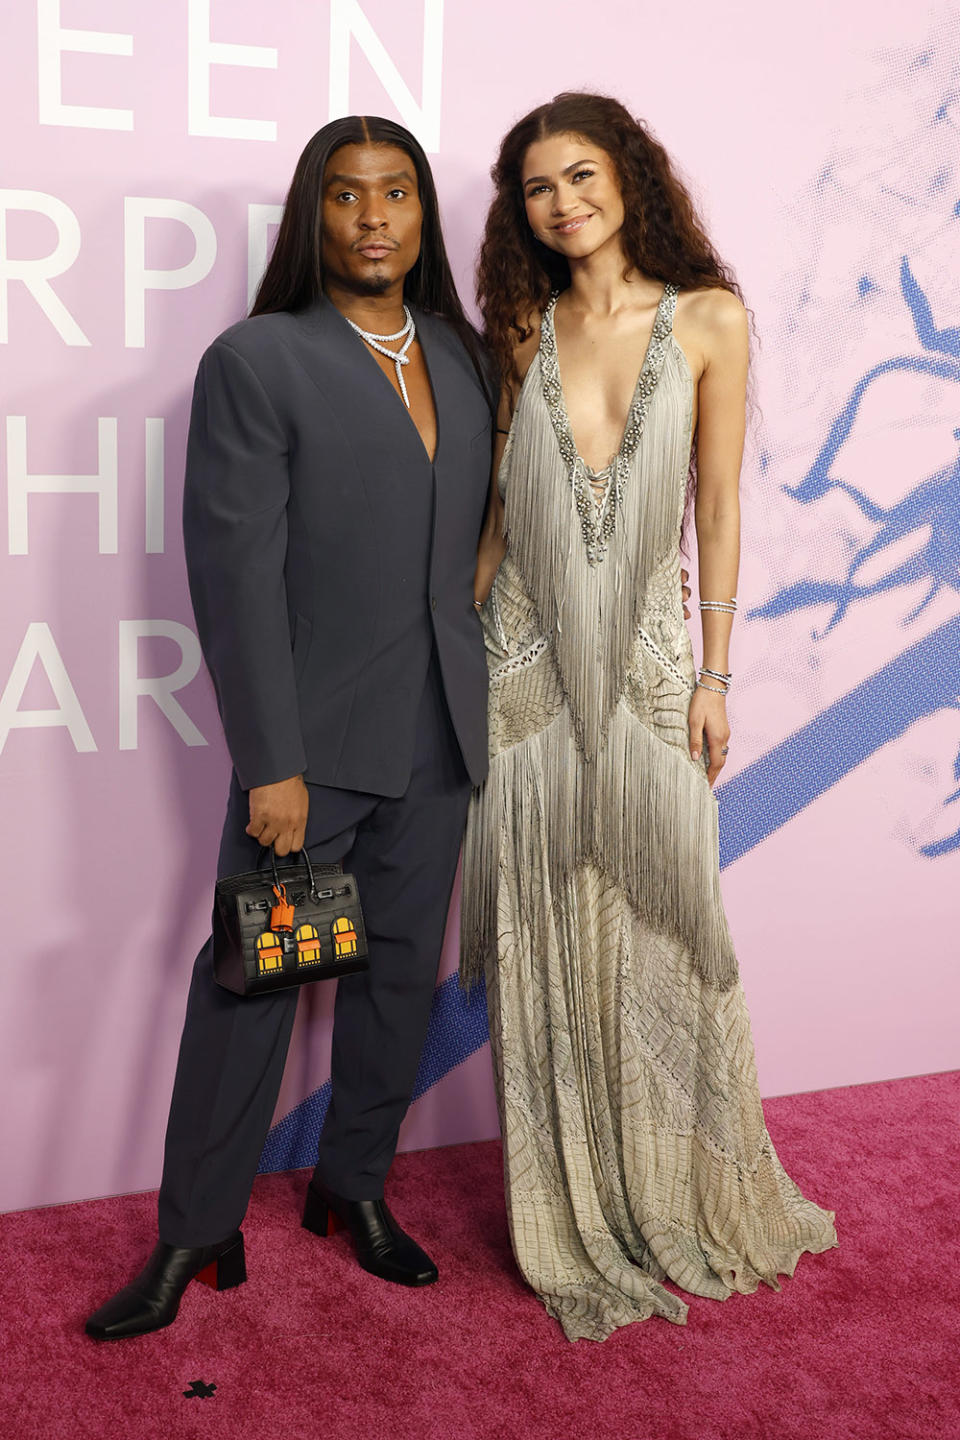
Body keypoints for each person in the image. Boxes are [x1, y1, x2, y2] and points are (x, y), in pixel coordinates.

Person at [86, 115, 494, 1340]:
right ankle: (195, 1232)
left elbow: (478, 533)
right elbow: (235, 578)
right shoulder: (257, 359)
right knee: (253, 988)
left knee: (396, 987)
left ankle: (353, 1189)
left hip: (442, 744)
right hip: (310, 758)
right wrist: (272, 762)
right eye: (347, 195)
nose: (374, 217)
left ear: (424, 216)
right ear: (313, 215)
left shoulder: (468, 358)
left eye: (398, 194)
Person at [462, 92, 838, 1343]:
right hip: (520, 662)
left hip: (650, 664)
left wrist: (716, 675)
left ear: (629, 178)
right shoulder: (522, 321)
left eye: (580, 175)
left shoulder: (711, 319)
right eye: (536, 188)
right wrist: (450, 655)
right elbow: (506, 515)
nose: (561, 203)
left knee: (668, 933)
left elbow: (718, 509)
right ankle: (565, 1206)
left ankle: (675, 1187)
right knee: (543, 935)